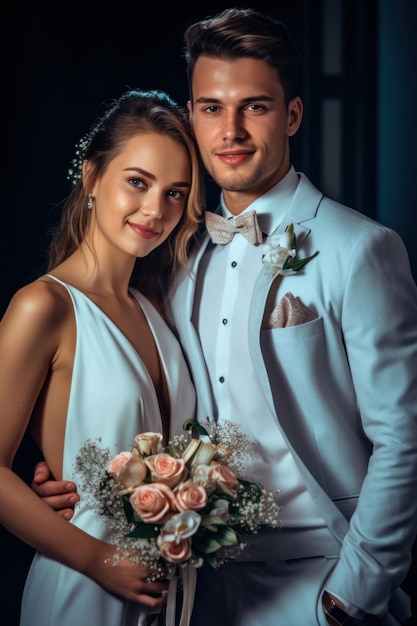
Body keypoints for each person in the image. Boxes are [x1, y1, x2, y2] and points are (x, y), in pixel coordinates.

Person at [31, 7, 417, 626]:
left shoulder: (360, 249)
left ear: (291, 114)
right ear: (192, 116)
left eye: (254, 107)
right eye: (210, 107)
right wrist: (67, 482)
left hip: (316, 580)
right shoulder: (173, 257)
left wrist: (349, 599)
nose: (229, 129)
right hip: (190, 587)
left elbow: (404, 440)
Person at [0, 88, 204, 626]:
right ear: (92, 176)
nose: (155, 209)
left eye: (175, 193)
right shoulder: (43, 306)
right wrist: (99, 560)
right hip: (84, 586)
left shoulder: (156, 309)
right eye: (137, 182)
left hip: (170, 594)